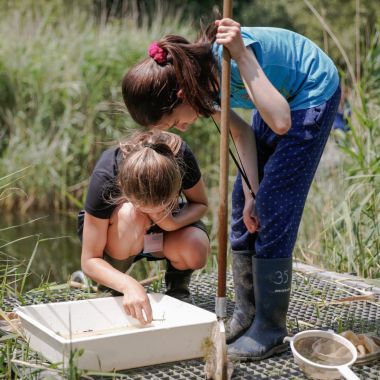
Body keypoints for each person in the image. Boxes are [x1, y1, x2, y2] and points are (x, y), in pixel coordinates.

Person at [121, 18, 340, 360]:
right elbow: (243, 135)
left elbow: (281, 121)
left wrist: (242, 53)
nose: (181, 128)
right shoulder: (201, 87)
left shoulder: (229, 58)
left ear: (180, 95)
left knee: (273, 206)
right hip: (277, 95)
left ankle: (269, 326)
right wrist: (252, 190)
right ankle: (247, 314)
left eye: (175, 121)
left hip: (310, 92)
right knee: (244, 200)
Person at [77, 130, 210, 325]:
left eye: (162, 208)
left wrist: (170, 221)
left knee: (196, 248)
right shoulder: (106, 175)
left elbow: (201, 204)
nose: (153, 216)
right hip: (119, 234)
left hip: (165, 234)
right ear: (123, 186)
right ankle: (114, 285)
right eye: (147, 209)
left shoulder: (181, 156)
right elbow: (89, 259)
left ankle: (177, 287)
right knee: (131, 216)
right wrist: (128, 285)